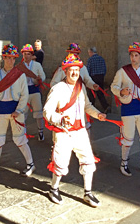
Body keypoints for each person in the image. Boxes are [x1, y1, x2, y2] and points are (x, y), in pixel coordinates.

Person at [43, 53, 106, 207]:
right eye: (71, 70)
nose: (74, 73)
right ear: (65, 71)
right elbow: (47, 111)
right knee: (60, 162)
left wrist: (97, 114)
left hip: (80, 131)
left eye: (77, 70)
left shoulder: (81, 87)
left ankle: (88, 192)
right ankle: (54, 188)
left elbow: (87, 106)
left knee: (88, 161)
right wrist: (60, 119)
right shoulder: (57, 88)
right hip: (63, 132)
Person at [0, 44, 36, 177]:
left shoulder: (20, 76)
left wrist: (19, 110)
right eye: (8, 58)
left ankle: (30, 163)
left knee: (20, 139)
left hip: (16, 112)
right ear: (3, 58)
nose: (10, 61)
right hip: (0, 111)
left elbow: (24, 95)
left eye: (13, 58)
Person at [110, 42, 140, 177]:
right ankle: (124, 163)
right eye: (132, 55)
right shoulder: (122, 71)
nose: (133, 58)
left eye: (136, 55)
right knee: (128, 138)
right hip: (128, 107)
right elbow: (113, 86)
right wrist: (121, 91)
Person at [50, 43, 99, 134]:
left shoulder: (83, 68)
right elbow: (53, 84)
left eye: (76, 53)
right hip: (66, 101)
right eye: (71, 53)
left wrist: (93, 85)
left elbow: (87, 80)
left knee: (83, 122)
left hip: (79, 97)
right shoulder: (62, 69)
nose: (73, 55)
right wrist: (63, 87)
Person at [20, 44, 46, 141]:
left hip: (35, 90)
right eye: (24, 54)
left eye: (28, 54)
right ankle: (23, 133)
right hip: (24, 92)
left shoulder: (37, 65)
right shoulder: (20, 66)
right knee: (23, 113)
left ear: (31, 55)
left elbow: (43, 75)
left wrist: (40, 79)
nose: (26, 56)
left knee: (38, 112)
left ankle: (40, 132)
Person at [87, 47, 110, 113]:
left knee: (91, 94)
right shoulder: (101, 59)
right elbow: (104, 69)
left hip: (93, 77)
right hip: (101, 77)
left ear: (91, 52)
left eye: (89, 53)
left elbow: (88, 70)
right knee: (101, 93)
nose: (89, 54)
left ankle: (91, 109)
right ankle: (106, 106)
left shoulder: (90, 60)